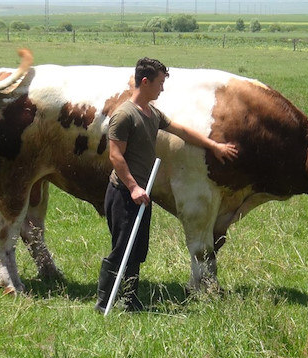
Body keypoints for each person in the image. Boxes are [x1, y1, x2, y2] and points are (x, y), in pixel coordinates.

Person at [94, 57, 238, 313]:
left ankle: (129, 299)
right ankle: (104, 302)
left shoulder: (152, 113)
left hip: (141, 193)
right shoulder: (124, 115)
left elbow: (181, 131)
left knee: (137, 249)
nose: (162, 89)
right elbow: (115, 156)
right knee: (122, 248)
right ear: (145, 81)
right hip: (123, 193)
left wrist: (214, 146)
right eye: (160, 83)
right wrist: (133, 187)